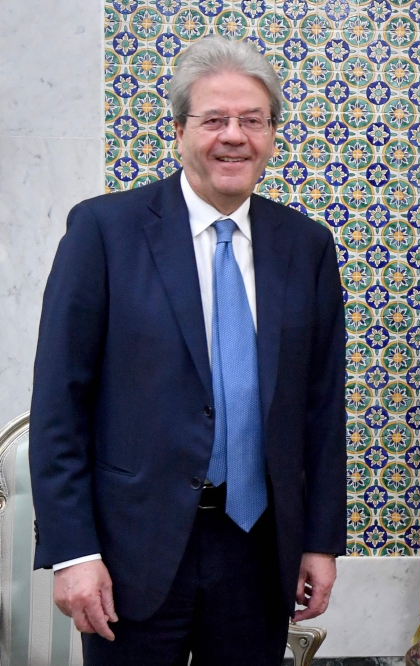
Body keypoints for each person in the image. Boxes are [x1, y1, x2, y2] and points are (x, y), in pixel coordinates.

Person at [30, 35, 346, 665]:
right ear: (178, 131)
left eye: (252, 121)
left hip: (258, 553)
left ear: (271, 135)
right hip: (130, 554)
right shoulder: (104, 231)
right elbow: (60, 403)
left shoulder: (306, 246)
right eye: (215, 120)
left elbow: (320, 407)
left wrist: (319, 542)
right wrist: (74, 553)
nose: (235, 136)